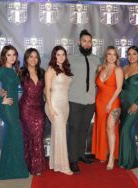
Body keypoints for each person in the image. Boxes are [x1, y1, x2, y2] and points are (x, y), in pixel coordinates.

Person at [0, 45, 29, 180]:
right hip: (7, 108)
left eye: (14, 55)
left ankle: (12, 167)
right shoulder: (3, 70)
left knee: (12, 137)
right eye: (9, 55)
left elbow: (11, 87)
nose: (12, 57)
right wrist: (0, 99)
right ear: (4, 56)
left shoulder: (13, 70)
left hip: (14, 107)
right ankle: (10, 169)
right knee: (16, 135)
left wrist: (4, 92)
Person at [68, 29, 101, 173]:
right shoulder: (70, 58)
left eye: (89, 42)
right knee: (74, 130)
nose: (87, 44)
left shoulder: (96, 59)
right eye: (84, 41)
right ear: (78, 42)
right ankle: (73, 160)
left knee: (84, 129)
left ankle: (81, 155)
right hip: (74, 100)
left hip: (90, 101)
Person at [92, 46, 123, 170]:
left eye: (114, 54)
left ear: (116, 57)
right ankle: (103, 153)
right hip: (99, 102)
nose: (111, 57)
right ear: (106, 56)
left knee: (110, 128)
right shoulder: (101, 68)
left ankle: (111, 157)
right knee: (102, 127)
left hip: (113, 102)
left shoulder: (118, 70)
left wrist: (110, 103)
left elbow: (119, 88)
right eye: (109, 54)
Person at [118, 45, 138, 169]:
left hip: (136, 105)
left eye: (134, 54)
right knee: (128, 131)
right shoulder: (124, 68)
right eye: (129, 54)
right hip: (124, 104)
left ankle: (126, 161)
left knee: (125, 129)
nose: (131, 56)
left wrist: (136, 103)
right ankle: (132, 159)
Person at [44, 45, 73, 175]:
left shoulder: (65, 69)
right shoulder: (51, 70)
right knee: (60, 133)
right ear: (54, 56)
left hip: (64, 105)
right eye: (58, 54)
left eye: (63, 54)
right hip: (54, 104)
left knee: (59, 133)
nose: (61, 57)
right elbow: (47, 90)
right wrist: (50, 107)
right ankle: (63, 166)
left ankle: (55, 163)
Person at [18, 48, 46, 176]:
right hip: (26, 108)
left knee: (38, 136)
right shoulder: (21, 72)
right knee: (29, 137)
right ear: (26, 59)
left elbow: (46, 90)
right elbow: (10, 85)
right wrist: (3, 93)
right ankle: (28, 165)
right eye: (31, 57)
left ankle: (37, 166)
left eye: (36, 57)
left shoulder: (42, 72)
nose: (33, 59)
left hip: (39, 108)